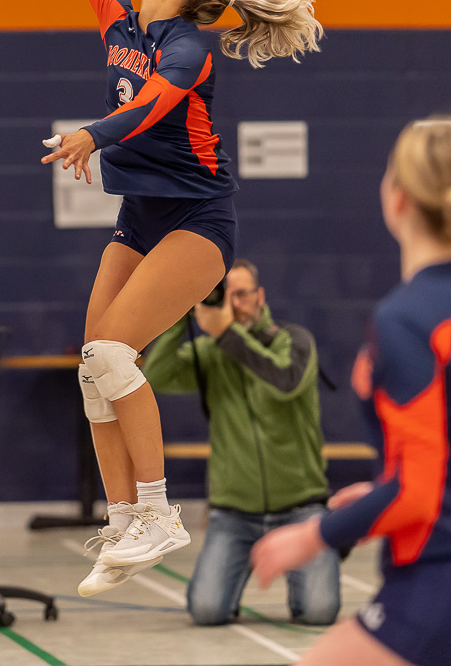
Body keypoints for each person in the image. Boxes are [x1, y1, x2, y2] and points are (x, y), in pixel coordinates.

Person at [42, 0, 324, 590]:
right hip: (143, 214)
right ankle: (124, 519)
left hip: (199, 220)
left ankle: (162, 513)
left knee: (112, 352)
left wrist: (93, 133)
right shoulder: (122, 23)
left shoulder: (189, 48)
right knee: (92, 365)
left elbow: (155, 105)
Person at [226, 118, 451, 666]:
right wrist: (381, 492)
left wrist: (313, 534)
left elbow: (419, 494)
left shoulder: (408, 315)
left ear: (397, 197)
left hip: (437, 590)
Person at [140, 258, 339, 621]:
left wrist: (227, 334)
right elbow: (158, 375)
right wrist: (184, 314)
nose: (234, 304)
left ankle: (318, 560)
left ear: (260, 296)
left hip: (301, 507)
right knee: (206, 611)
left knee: (319, 611)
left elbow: (285, 383)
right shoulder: (211, 353)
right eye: (224, 295)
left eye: (242, 294)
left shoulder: (293, 340)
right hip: (234, 512)